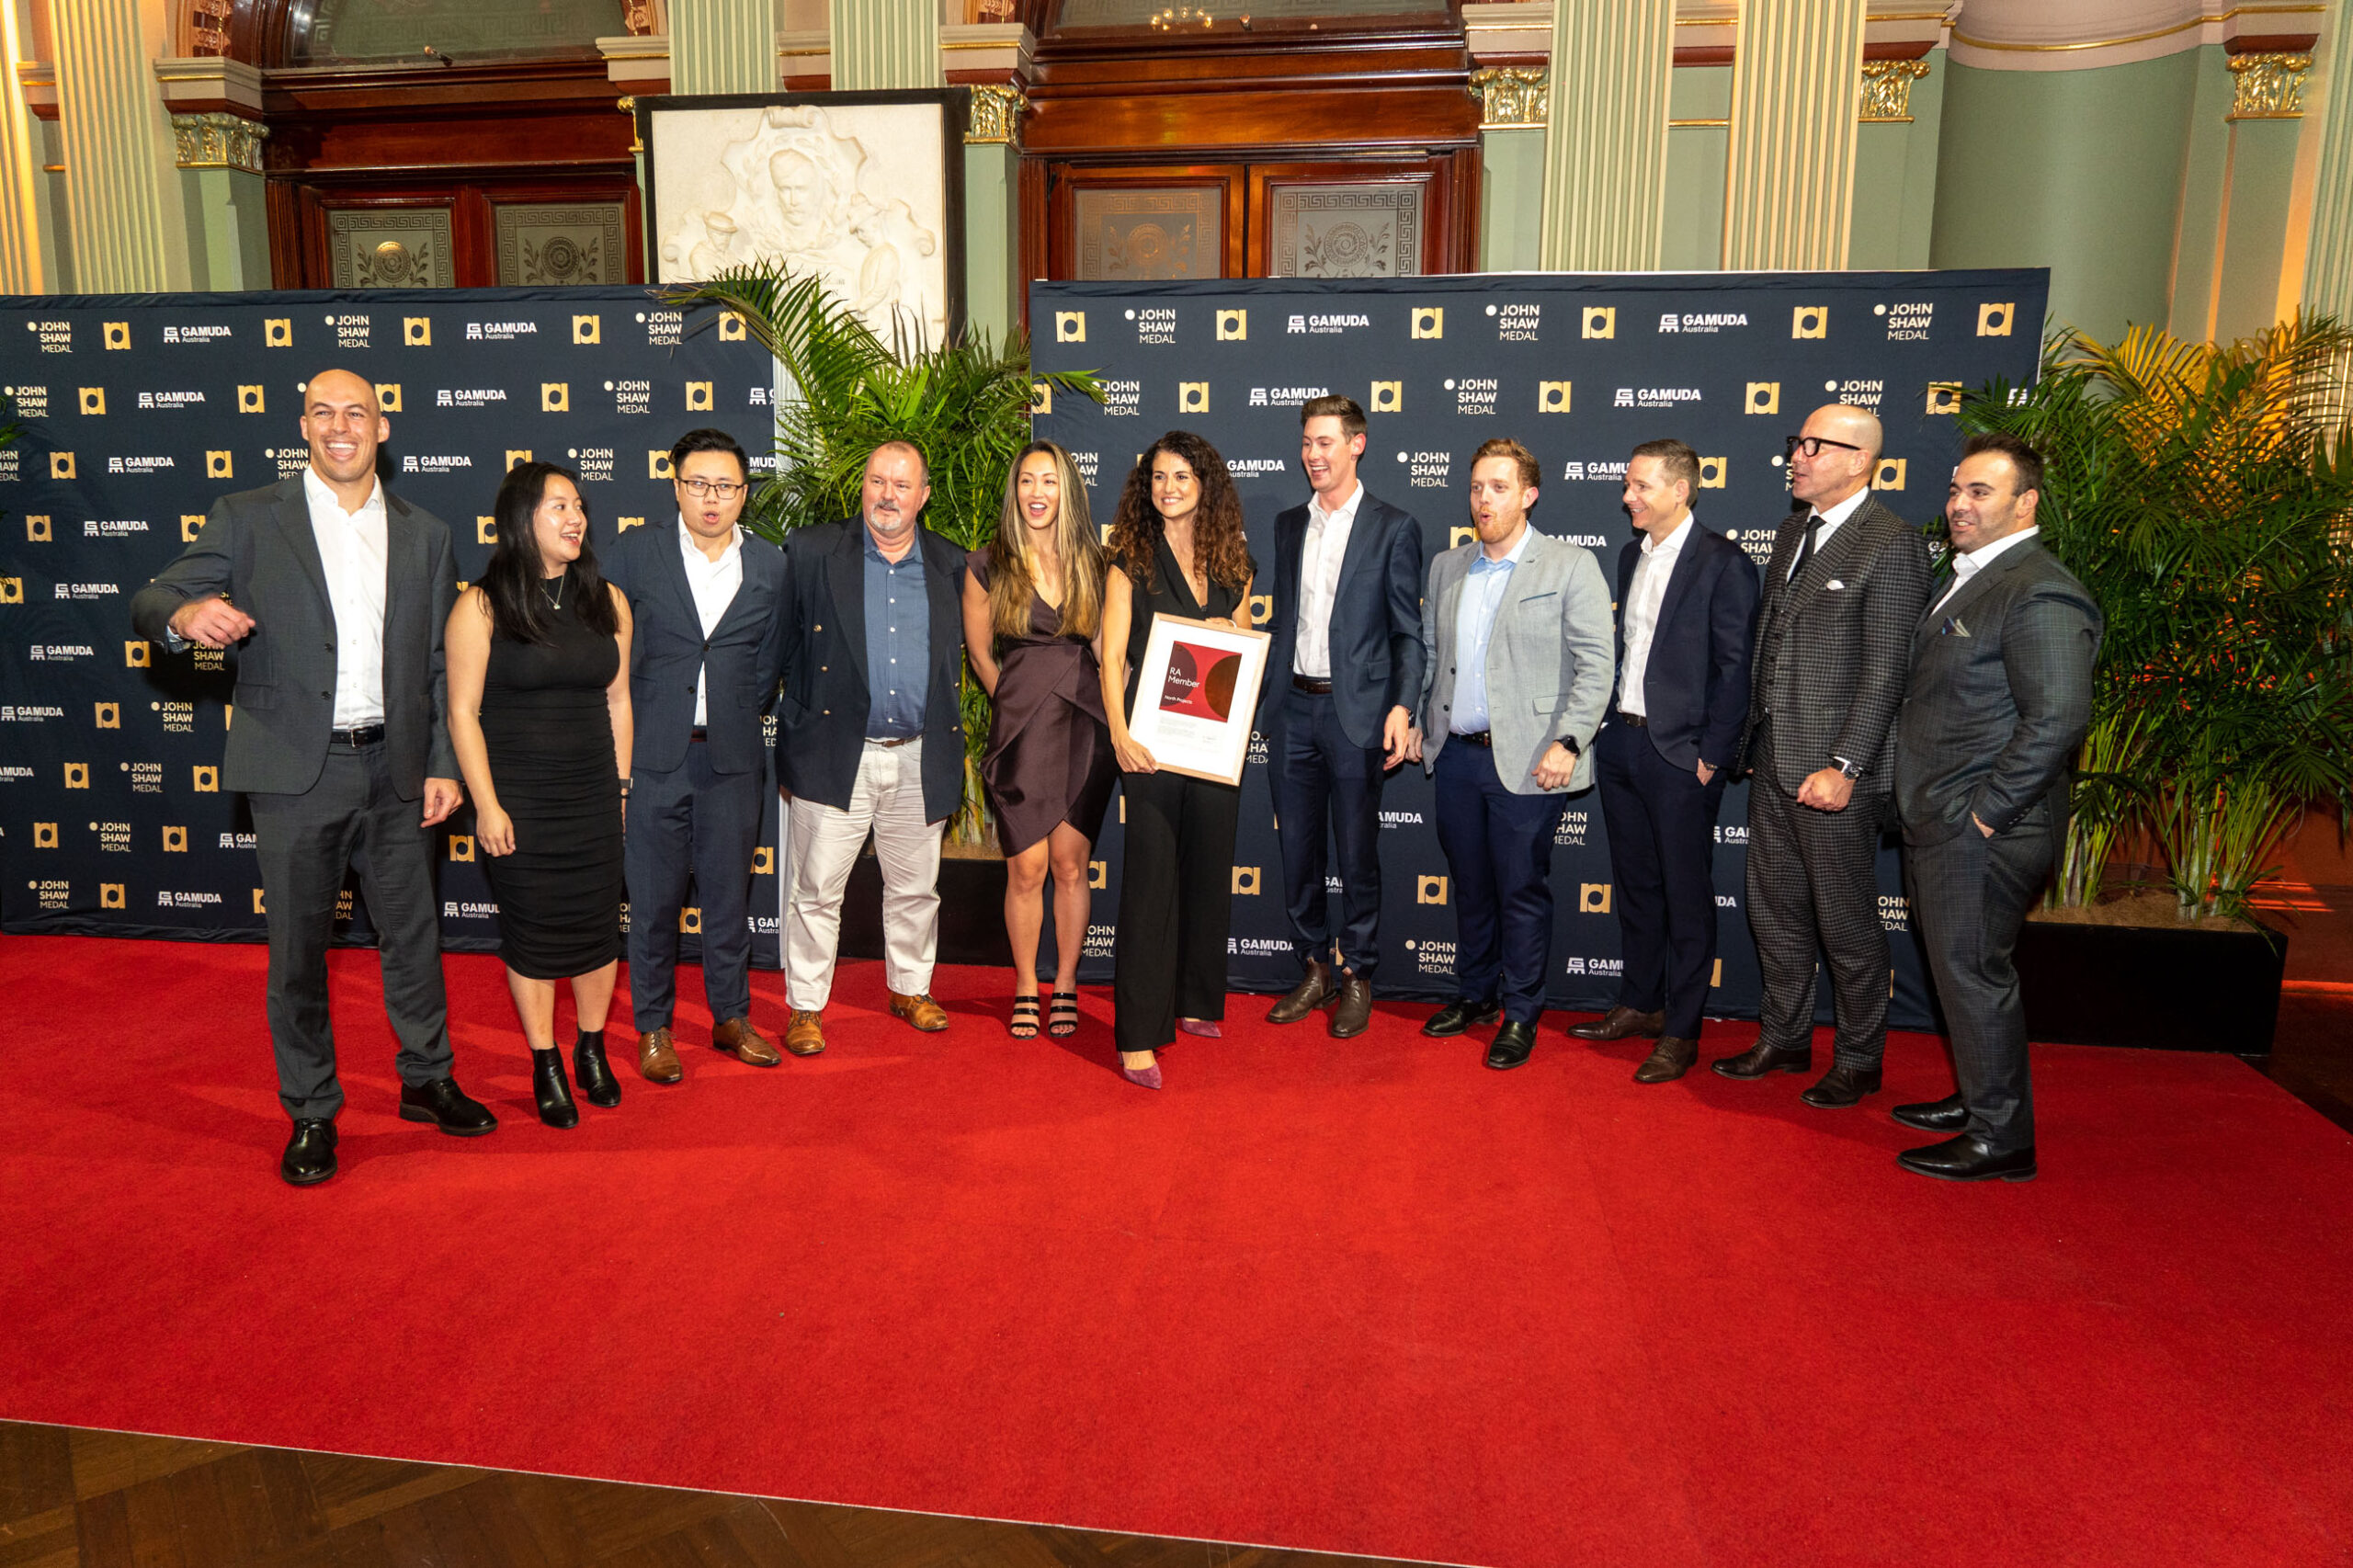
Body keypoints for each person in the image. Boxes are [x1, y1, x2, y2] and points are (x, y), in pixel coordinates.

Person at [129, 369, 495, 1185]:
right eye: (323, 413)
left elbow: (438, 665)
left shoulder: (427, 532)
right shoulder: (248, 515)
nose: (340, 427)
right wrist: (185, 615)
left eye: (356, 413)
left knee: (414, 938)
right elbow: (152, 598)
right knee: (298, 952)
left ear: (382, 427)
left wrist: (442, 764)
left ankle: (427, 1078)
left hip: (399, 769)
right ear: (302, 427)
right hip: (297, 770)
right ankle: (311, 1110)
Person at [1892, 435, 2100, 1181]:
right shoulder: (1974, 577)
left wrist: (1986, 814)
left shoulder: (2039, 589)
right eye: (1956, 490)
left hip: (1979, 827)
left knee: (1973, 971)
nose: (1958, 504)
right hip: (1941, 816)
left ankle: (2001, 1139)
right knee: (1959, 971)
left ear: (2026, 503)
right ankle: (1981, 1097)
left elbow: (2059, 718)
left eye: (1980, 492)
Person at [1717, 403, 1929, 1107]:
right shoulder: (1792, 532)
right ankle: (1784, 1038)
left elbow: (1887, 670)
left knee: (1845, 922)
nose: (1797, 457)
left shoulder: (1891, 542)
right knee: (1775, 911)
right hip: (1775, 759)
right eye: (1796, 443)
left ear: (1861, 460)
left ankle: (1861, 1058)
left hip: (1834, 774)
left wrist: (1846, 767)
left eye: (1816, 446)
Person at [1408, 438, 1613, 1069]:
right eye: (1476, 487)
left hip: (1530, 760)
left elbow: (1596, 664)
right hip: (1456, 757)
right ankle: (1476, 996)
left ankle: (1522, 1012)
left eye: (1498, 487)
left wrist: (1569, 740)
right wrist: (1417, 720)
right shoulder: (1447, 566)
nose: (1484, 499)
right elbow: (1431, 656)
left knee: (1521, 890)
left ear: (1529, 495)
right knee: (1471, 886)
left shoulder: (1569, 566)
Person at [445, 462, 634, 1127]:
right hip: (519, 801)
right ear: (521, 519)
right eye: (558, 506)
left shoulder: (608, 600)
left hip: (593, 795)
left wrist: (620, 789)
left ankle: (591, 1048)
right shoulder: (481, 606)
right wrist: (487, 804)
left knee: (597, 930)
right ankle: (545, 1060)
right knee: (532, 935)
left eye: (578, 505)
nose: (575, 517)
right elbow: (461, 713)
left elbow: (618, 701)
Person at [1570, 439, 1758, 1082]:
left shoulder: (1724, 563)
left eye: (1641, 486)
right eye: (1628, 484)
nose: (1628, 496)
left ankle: (1682, 1030)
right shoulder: (1632, 555)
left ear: (1681, 490)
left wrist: (1713, 756)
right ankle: (1641, 1003)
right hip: (1623, 744)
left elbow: (1736, 669)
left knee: (1686, 896)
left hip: (1682, 756)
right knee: (1637, 886)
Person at [606, 429, 790, 1077]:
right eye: (699, 484)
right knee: (653, 904)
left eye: (726, 486)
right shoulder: (634, 553)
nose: (712, 498)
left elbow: (769, 663)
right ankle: (653, 1027)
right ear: (676, 485)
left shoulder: (770, 565)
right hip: (653, 758)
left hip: (732, 761)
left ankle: (731, 1017)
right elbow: (611, 657)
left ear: (744, 492)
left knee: (728, 901)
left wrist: (733, 713)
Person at [775, 439, 969, 1054]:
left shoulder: (951, 563)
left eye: (902, 485)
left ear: (923, 496)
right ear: (862, 485)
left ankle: (910, 988)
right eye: (877, 481)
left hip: (919, 752)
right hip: (835, 751)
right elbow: (780, 646)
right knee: (816, 890)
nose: (887, 496)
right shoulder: (812, 550)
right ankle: (806, 1005)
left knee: (916, 888)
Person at [1257, 395, 1427, 1040]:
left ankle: (1357, 971)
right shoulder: (1288, 526)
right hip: (1292, 709)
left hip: (1356, 715)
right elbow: (1285, 623)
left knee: (1357, 855)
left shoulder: (1394, 527)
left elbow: (1408, 634)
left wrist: (1402, 706)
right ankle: (1314, 967)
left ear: (1358, 444)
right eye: (1306, 442)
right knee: (1296, 851)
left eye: (1325, 442)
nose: (1313, 455)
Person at [1100, 431, 1257, 1089]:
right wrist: (1119, 735)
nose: (1168, 488)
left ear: (1205, 486)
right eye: (1159, 477)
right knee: (1149, 883)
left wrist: (1231, 631)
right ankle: (1138, 1036)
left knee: (1207, 870)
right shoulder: (1129, 559)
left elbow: (1246, 647)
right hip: (1152, 747)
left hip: (1215, 747)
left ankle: (1195, 999)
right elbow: (1111, 656)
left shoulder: (1232, 561)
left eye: (1181, 477)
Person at [962, 442, 1116, 1040]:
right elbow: (980, 654)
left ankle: (1067, 983)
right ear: (1015, 490)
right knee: (1026, 868)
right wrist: (1017, 701)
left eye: (1048, 481)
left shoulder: (1095, 563)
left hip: (1084, 725)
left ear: (1066, 490)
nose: (1036, 492)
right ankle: (1027, 983)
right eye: (1027, 481)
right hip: (1022, 729)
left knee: (1071, 865)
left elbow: (1107, 650)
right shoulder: (987, 565)